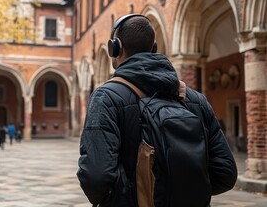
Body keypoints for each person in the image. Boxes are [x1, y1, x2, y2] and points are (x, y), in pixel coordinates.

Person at [77, 14, 237, 206]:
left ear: (115, 48)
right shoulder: (196, 100)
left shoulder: (106, 97)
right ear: (154, 49)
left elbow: (96, 177)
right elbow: (226, 173)